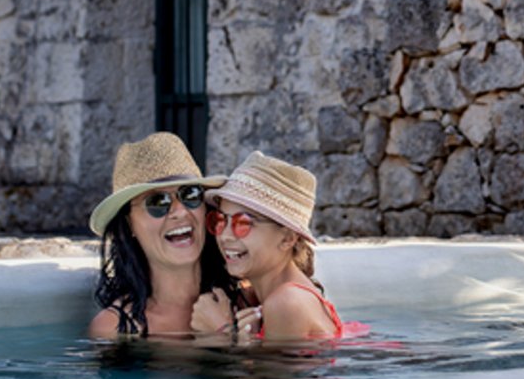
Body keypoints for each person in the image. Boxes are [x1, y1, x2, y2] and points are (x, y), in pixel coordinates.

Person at [88, 132, 245, 338]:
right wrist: (223, 335)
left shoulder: (246, 301)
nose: (180, 212)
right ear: (129, 224)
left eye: (190, 195)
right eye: (157, 202)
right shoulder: (114, 328)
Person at [192, 151, 345, 342]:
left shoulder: (286, 303)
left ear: (288, 238)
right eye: (220, 220)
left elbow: (270, 364)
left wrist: (222, 331)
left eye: (243, 223)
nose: (224, 236)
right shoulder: (261, 296)